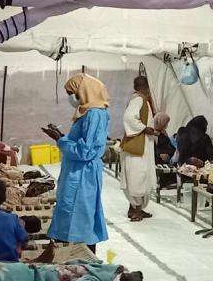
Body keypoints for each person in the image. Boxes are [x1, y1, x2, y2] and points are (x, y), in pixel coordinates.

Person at [48, 72, 110, 248]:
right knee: (72, 214)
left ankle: (81, 260)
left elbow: (86, 151)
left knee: (80, 219)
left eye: (71, 93)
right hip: (77, 172)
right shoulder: (87, 111)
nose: (70, 98)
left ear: (84, 91)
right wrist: (61, 136)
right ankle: (72, 256)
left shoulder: (95, 114)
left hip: (82, 175)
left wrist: (60, 140)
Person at [120, 75, 158, 222]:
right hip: (138, 147)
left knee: (140, 175)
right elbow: (129, 118)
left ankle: (136, 208)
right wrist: (144, 129)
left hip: (142, 146)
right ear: (145, 87)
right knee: (138, 177)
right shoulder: (139, 99)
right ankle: (136, 210)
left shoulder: (139, 99)